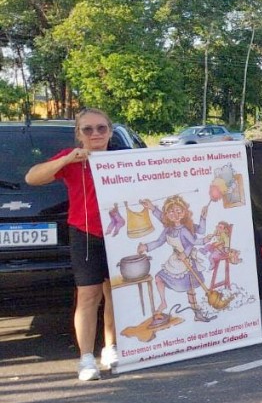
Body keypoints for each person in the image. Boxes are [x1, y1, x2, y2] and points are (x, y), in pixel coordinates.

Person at [25, 108, 119, 381]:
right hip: (85, 233)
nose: (95, 134)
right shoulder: (72, 159)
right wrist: (67, 159)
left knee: (115, 292)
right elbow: (33, 177)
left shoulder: (124, 159)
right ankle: (86, 358)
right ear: (79, 134)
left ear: (109, 131)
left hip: (119, 234)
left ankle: (110, 348)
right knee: (89, 296)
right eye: (88, 129)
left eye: (101, 128)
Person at [137, 195, 216, 322]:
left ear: (184, 212)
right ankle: (163, 302)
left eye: (179, 211)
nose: (175, 214)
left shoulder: (184, 229)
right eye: (171, 212)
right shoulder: (169, 229)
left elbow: (195, 240)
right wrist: (145, 247)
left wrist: (203, 219)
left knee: (190, 289)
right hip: (175, 260)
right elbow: (158, 241)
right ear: (167, 213)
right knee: (158, 278)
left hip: (186, 261)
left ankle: (198, 314)